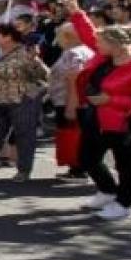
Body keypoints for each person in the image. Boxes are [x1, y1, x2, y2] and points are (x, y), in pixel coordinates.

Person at [64, 0, 131, 221]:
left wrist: (111, 101)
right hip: (96, 118)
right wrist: (76, 12)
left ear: (115, 45)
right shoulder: (105, 55)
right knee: (87, 158)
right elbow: (89, 34)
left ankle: (123, 204)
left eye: (100, 42)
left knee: (126, 166)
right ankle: (107, 191)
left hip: (125, 124)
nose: (95, 44)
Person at [0, 23, 50, 183]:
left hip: (21, 101)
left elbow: (44, 75)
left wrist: (35, 60)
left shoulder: (25, 52)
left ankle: (24, 170)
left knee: (24, 136)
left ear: (8, 37)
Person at [51, 23, 94, 178]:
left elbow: (74, 78)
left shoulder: (74, 53)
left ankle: (78, 168)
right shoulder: (78, 51)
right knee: (75, 134)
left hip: (69, 100)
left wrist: (71, 104)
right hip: (70, 99)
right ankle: (77, 167)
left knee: (72, 135)